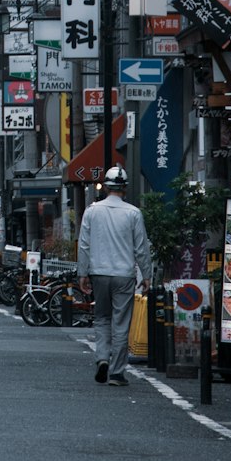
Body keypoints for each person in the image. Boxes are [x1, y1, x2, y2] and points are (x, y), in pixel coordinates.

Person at [78, 165, 152, 387]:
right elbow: (141, 248)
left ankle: (102, 357)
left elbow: (84, 245)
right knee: (121, 322)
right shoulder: (133, 213)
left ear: (106, 187)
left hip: (98, 273)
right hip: (124, 275)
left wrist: (82, 273)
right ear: (125, 188)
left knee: (101, 318)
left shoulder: (92, 211)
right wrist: (146, 274)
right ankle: (117, 372)